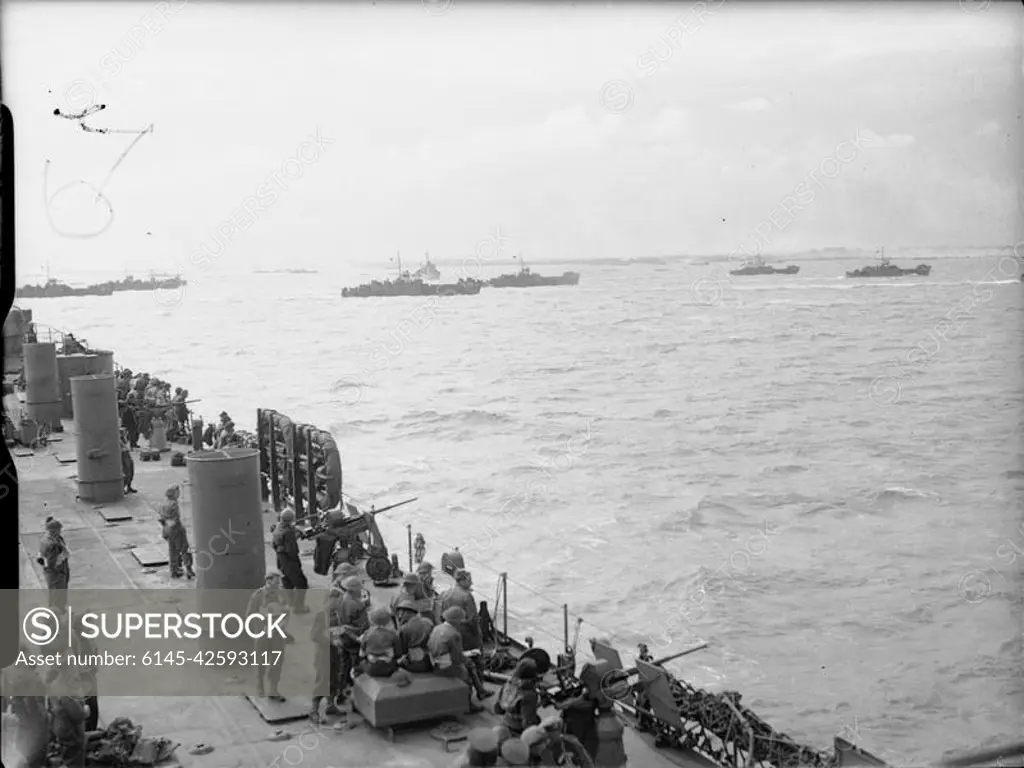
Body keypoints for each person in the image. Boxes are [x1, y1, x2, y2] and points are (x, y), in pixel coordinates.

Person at [427, 607, 486, 713]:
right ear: (457, 621)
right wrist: (468, 658)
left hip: (434, 662)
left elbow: (430, 645)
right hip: (446, 667)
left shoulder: (437, 628)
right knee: (469, 671)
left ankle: (481, 691)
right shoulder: (454, 634)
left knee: (468, 664)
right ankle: (468, 704)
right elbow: (457, 657)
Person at [44, 663, 89, 768]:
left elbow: (50, 707)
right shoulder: (66, 688)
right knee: (73, 761)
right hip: (71, 730)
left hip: (59, 727)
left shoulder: (53, 685)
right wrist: (85, 711)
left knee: (66, 757)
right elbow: (76, 713)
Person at [310, 594, 344, 722]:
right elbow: (314, 636)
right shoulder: (320, 615)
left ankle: (330, 705)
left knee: (334, 679)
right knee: (322, 681)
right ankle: (314, 711)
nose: (338, 604)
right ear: (329, 600)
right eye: (336, 601)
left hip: (335, 653)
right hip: (323, 653)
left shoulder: (336, 614)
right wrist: (330, 641)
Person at [336, 576, 370, 697]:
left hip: (343, 637)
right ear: (355, 590)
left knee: (344, 665)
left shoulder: (340, 600)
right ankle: (357, 693)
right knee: (357, 667)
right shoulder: (358, 605)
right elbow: (364, 626)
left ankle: (340, 690)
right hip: (355, 640)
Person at [272, 510, 309, 613]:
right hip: (290, 561)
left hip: (280, 560)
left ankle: (290, 604)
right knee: (301, 583)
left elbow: (276, 544)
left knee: (287, 582)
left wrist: (294, 532)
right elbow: (292, 550)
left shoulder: (278, 527)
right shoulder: (288, 533)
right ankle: (298, 607)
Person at [494, 658, 541, 737]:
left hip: (506, 720)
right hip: (517, 729)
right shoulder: (530, 695)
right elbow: (527, 722)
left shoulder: (508, 683)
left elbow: (497, 708)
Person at [440, 569, 483, 652]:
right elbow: (472, 619)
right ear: (462, 581)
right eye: (469, 580)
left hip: (449, 630)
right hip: (464, 632)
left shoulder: (446, 593)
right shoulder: (467, 596)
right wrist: (477, 635)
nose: (471, 583)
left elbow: (442, 614)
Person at [157, 485, 194, 579]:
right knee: (185, 549)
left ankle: (174, 570)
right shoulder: (174, 504)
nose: (179, 494)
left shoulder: (163, 504)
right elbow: (176, 519)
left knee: (172, 550)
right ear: (174, 494)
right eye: (178, 492)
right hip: (176, 529)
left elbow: (160, 518)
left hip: (167, 529)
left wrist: (165, 526)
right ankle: (188, 569)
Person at [359, 607, 401, 678]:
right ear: (388, 620)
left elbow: (361, 654)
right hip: (389, 668)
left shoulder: (367, 634)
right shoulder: (393, 634)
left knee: (361, 663)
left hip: (371, 668)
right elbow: (398, 654)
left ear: (371, 620)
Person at [38, 517, 70, 608]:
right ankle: (57, 613)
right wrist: (60, 572)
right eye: (59, 530)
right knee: (58, 593)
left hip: (50, 571)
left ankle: (56, 611)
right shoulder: (53, 545)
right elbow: (52, 563)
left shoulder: (46, 538)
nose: (60, 531)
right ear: (54, 531)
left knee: (54, 593)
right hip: (57, 572)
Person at [397, 608, 434, 674]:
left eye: (402, 613)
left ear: (407, 614)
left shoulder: (404, 628)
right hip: (431, 662)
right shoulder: (428, 622)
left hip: (415, 664)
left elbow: (403, 650)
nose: (400, 615)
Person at [120, 428, 137, 494]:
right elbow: (124, 446)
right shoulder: (119, 439)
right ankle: (123, 487)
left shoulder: (124, 438)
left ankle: (129, 486)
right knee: (127, 472)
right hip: (123, 454)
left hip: (127, 454)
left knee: (131, 470)